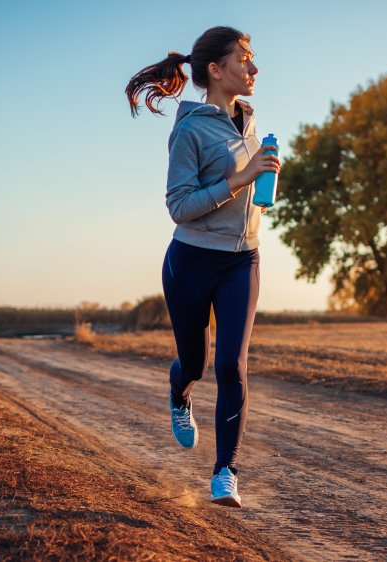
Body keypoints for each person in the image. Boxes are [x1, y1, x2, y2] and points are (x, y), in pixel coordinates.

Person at [125, 26, 278, 508]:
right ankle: (179, 392)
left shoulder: (249, 119)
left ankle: (225, 473)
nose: (254, 68)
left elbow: (244, 187)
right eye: (245, 59)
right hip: (191, 260)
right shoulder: (189, 129)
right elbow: (179, 206)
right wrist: (242, 178)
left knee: (232, 364)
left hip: (242, 260)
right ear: (216, 70)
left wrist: (262, 180)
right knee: (196, 362)